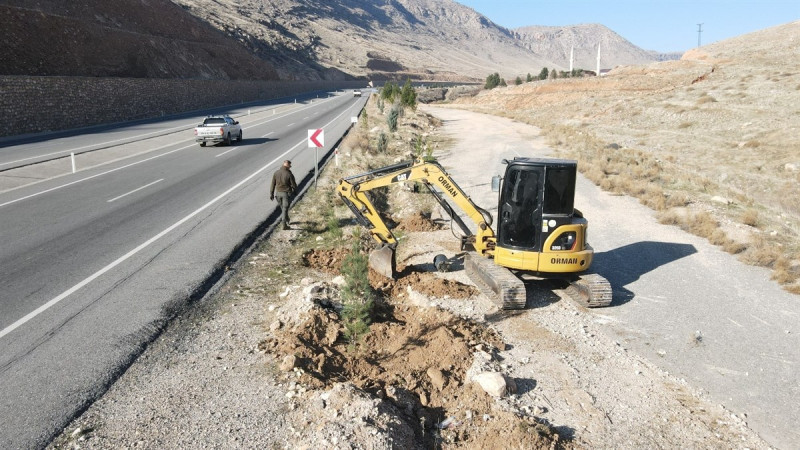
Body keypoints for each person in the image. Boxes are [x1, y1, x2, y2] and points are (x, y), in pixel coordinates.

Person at [270, 160, 297, 230]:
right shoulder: (289, 174)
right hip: (286, 194)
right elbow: (293, 184)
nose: (290, 167)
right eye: (290, 166)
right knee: (285, 209)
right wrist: (295, 191)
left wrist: (271, 194)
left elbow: (273, 184)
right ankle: (284, 224)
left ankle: (287, 219)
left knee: (283, 208)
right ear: (287, 166)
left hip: (278, 194)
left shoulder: (276, 173)